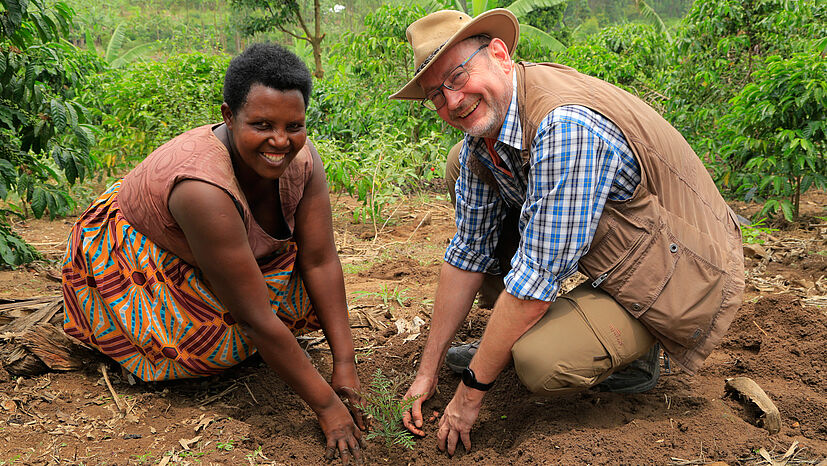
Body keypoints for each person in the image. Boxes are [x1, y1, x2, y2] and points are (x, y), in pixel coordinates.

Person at [389, 9, 745, 456]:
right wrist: (428, 370)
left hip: (684, 271)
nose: (453, 101)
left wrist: (468, 396)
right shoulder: (486, 139)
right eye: (436, 94)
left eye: (458, 76)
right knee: (459, 161)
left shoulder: (565, 127)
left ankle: (637, 353)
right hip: (620, 250)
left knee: (539, 363)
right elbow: (469, 252)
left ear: (499, 53)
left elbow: (536, 279)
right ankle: (521, 333)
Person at [62, 43, 365, 463]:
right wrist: (328, 408)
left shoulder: (303, 159)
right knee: (217, 336)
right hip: (134, 258)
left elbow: (320, 259)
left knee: (290, 275)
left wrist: (345, 367)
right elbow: (255, 318)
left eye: (293, 125)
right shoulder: (201, 189)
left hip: (229, 250)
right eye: (261, 124)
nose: (280, 140)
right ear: (227, 115)